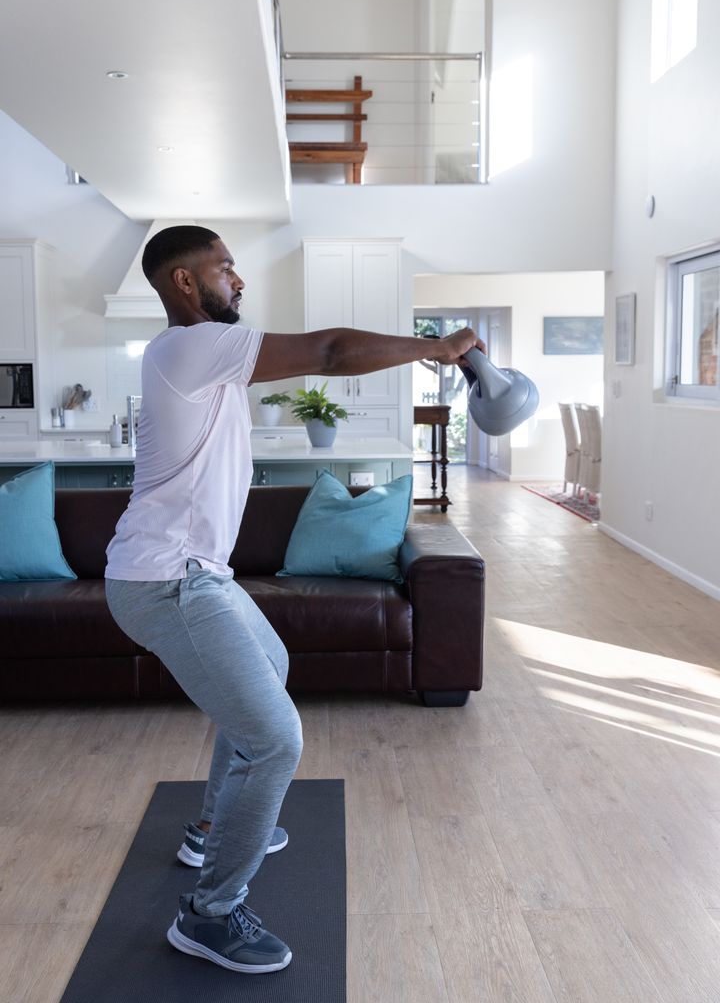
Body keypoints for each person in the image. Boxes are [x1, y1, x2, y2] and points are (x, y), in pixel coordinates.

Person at [104, 225, 482, 975]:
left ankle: (212, 826)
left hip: (191, 572)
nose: (238, 280)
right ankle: (208, 916)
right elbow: (332, 352)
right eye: (226, 267)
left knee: (268, 666)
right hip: (166, 578)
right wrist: (432, 348)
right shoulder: (189, 346)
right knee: (278, 738)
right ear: (185, 282)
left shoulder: (195, 357)